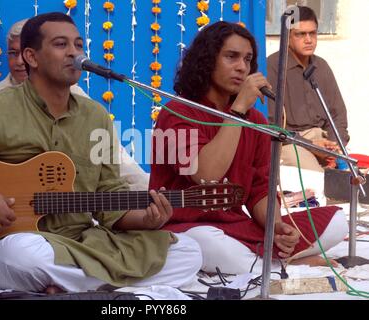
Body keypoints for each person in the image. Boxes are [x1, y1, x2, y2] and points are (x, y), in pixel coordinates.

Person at [0, 12, 201, 293]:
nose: (74, 53)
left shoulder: (96, 116)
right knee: (21, 258)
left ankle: (63, 287)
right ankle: (92, 286)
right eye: (60, 44)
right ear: (31, 57)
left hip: (82, 241)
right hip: (18, 241)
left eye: (78, 45)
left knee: (188, 252)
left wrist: (147, 219)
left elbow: (107, 193)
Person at [149, 21, 347, 275]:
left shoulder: (256, 121)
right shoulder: (177, 113)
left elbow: (259, 189)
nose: (242, 67)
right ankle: (283, 267)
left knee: (337, 222)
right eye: (231, 57)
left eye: (248, 59)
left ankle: (270, 263)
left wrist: (277, 228)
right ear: (207, 60)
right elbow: (206, 176)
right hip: (188, 225)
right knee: (205, 243)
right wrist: (238, 110)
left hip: (235, 224)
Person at [0, 19, 149, 191]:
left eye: (78, 45)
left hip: (73, 207)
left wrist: (149, 187)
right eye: (13, 53)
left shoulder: (79, 100)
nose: (20, 61)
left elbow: (117, 161)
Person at [267, 6, 349, 172]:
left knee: (353, 177)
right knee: (318, 177)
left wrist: (334, 146)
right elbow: (271, 126)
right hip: (289, 141)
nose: (309, 40)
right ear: (287, 37)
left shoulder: (321, 66)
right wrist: (312, 146)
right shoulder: (273, 67)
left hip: (322, 138)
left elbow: (337, 115)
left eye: (312, 33)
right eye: (300, 34)